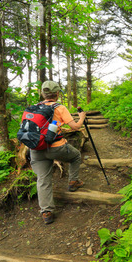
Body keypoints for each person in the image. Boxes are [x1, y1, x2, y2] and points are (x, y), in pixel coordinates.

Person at [30, 81, 87, 224]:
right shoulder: (59, 107)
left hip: (36, 149)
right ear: (57, 94)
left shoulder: (33, 108)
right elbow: (75, 127)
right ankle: (73, 181)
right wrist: (81, 118)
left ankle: (46, 212)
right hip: (56, 147)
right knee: (75, 156)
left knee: (43, 179)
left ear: (42, 93)